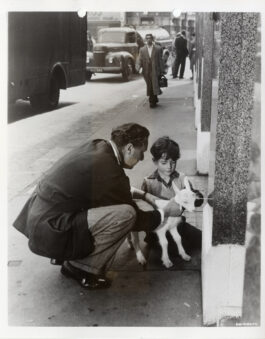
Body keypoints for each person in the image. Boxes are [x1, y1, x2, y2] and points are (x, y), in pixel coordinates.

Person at [13, 123, 183, 290]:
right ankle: (80, 268)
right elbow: (138, 220)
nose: (142, 158)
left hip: (38, 218)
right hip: (51, 231)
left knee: (114, 208)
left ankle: (64, 254)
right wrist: (165, 211)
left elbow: (109, 190)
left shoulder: (99, 147)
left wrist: (146, 196)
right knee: (127, 214)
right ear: (130, 148)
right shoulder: (108, 168)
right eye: (142, 152)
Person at [141, 136, 203, 251]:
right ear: (155, 161)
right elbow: (144, 209)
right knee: (174, 248)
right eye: (164, 162)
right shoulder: (148, 182)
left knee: (203, 240)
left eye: (173, 162)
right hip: (157, 228)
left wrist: (197, 197)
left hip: (178, 225)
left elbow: (195, 199)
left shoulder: (182, 178)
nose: (169, 167)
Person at [137, 33, 164, 108]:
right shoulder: (142, 49)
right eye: (147, 38)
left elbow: (160, 60)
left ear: (152, 39)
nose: (148, 39)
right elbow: (140, 59)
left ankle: (152, 101)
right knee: (150, 85)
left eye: (150, 38)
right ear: (145, 39)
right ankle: (154, 99)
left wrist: (162, 70)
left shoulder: (158, 48)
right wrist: (138, 67)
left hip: (155, 70)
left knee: (154, 84)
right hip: (146, 70)